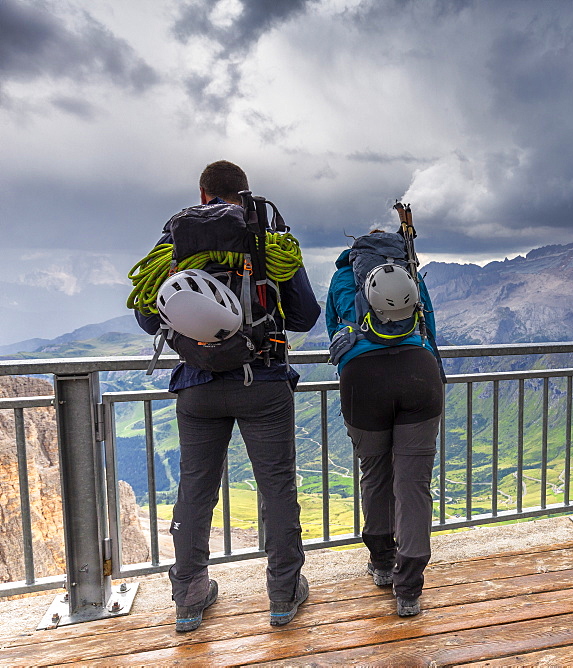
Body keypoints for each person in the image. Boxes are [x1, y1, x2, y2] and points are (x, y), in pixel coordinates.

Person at [134, 160, 321, 632]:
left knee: (195, 490)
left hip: (196, 385)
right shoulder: (264, 237)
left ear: (202, 195)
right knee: (277, 488)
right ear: (245, 194)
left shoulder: (175, 239)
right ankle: (282, 595)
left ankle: (190, 600)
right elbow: (304, 316)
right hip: (263, 382)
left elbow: (148, 316)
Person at [326, 228, 444, 617]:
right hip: (418, 374)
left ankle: (381, 563)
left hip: (363, 381)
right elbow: (429, 330)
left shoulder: (343, 278)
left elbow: (333, 330)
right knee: (413, 484)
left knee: (374, 473)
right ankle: (409, 589)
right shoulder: (411, 273)